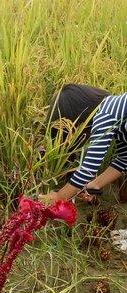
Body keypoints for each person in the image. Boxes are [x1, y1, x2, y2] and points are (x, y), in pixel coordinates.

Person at [40, 83, 127, 250]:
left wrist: (57, 198)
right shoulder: (118, 116)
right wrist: (94, 185)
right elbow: (124, 159)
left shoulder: (106, 113)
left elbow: (88, 169)